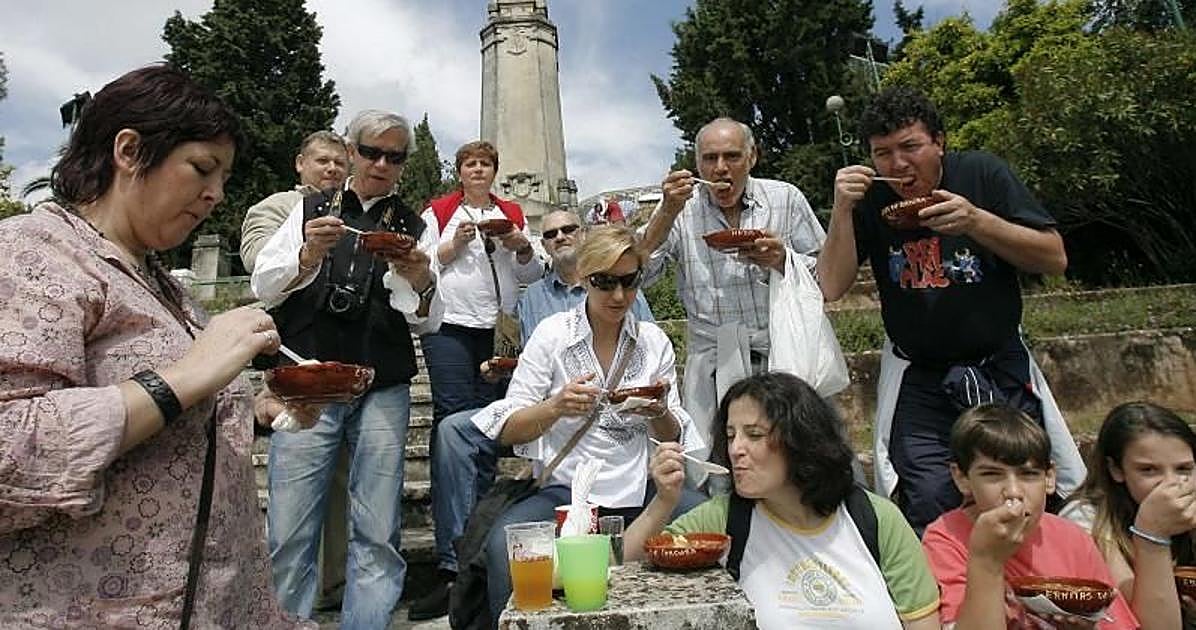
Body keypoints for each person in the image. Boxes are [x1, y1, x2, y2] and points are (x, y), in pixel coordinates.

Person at [0, 64, 312, 627]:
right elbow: (9, 446)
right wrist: (186, 376)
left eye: (223, 177)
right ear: (129, 150)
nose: (216, 194)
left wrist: (263, 411)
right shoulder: (30, 254)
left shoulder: (164, 286)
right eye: (202, 168)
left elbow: (175, 420)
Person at [817, 85, 1084, 532]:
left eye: (910, 147)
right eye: (883, 153)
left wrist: (977, 221)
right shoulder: (872, 198)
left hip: (999, 366)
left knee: (1020, 490)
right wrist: (842, 209)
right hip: (919, 376)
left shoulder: (982, 174)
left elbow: (1053, 257)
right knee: (928, 498)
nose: (898, 164)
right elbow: (830, 285)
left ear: (939, 141)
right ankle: (946, 574)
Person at [410, 209, 655, 620]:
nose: (618, 294)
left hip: (620, 450)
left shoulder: (642, 323)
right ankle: (456, 566)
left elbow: (645, 364)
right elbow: (522, 364)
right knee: (454, 430)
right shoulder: (535, 300)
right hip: (555, 433)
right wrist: (523, 382)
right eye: (552, 233)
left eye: (569, 229)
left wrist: (654, 408)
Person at [251, 108, 442, 628]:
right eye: (372, 152)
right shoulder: (310, 208)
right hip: (310, 378)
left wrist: (420, 277)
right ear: (353, 152)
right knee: (290, 527)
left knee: (378, 528)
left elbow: (428, 319)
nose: (382, 164)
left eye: (394, 157)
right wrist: (308, 253)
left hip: (382, 380)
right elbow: (264, 285)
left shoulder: (415, 225)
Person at [472, 224, 706, 624]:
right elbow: (509, 427)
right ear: (583, 277)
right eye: (605, 282)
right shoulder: (552, 335)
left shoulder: (653, 341)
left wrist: (659, 411)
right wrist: (555, 407)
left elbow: (672, 437)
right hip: (565, 493)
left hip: (639, 487)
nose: (618, 296)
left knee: (712, 525)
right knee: (503, 549)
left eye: (629, 282)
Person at [625, 372, 941, 629]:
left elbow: (923, 622)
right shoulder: (725, 519)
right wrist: (664, 501)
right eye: (731, 435)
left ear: (800, 438)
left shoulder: (876, 518)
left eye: (754, 434)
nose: (736, 449)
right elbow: (623, 570)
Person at [639, 117, 825, 472]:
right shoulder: (680, 210)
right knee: (720, 471)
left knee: (796, 462)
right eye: (710, 158)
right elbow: (641, 275)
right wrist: (666, 212)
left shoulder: (785, 198)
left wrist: (782, 259)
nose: (720, 168)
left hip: (781, 355)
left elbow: (826, 277)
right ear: (697, 164)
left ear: (752, 157)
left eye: (732, 156)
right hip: (713, 365)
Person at [922, 404, 1139, 629]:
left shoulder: (1071, 538)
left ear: (1049, 478)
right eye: (992, 475)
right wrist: (987, 562)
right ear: (962, 478)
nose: (1013, 492)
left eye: (1028, 474)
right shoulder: (946, 538)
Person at [420, 140, 543, 425]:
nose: (478, 169)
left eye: (485, 164)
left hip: (499, 329)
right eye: (470, 164)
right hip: (448, 325)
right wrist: (455, 244)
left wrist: (523, 246)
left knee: (495, 410)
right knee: (452, 409)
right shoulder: (438, 212)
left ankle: (486, 459)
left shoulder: (512, 214)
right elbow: (422, 265)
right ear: (460, 172)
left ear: (494, 172)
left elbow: (531, 275)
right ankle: (450, 457)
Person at [1060, 402, 1196, 630]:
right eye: (1148, 470)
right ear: (1116, 469)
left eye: (1184, 469)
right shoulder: (1087, 519)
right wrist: (1151, 534)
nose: (1170, 483)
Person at [240, 130, 349, 272]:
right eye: (322, 161)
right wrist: (303, 239)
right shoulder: (276, 206)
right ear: (300, 163)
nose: (332, 168)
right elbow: (253, 258)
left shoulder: (357, 210)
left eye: (339, 163)